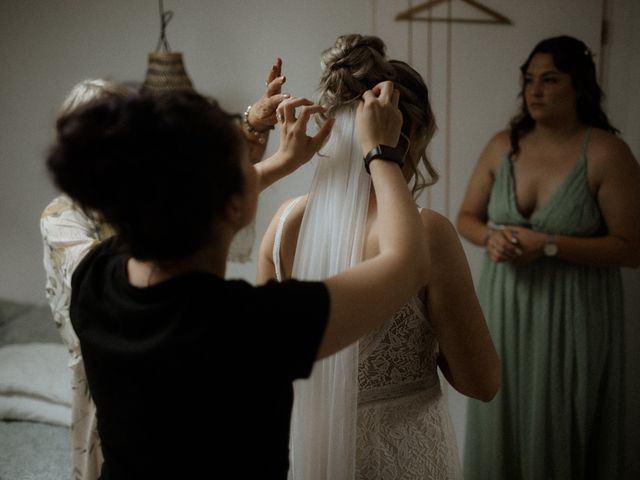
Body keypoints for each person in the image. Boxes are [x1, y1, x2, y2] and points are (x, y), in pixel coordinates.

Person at [46, 78, 432, 479]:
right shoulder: (248, 325)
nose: (256, 168)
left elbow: (174, 199)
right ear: (233, 207)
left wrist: (280, 163)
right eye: (244, 165)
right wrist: (382, 152)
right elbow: (410, 262)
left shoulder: (95, 277)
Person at [257, 34, 500, 479]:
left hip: (304, 455)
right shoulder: (426, 232)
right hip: (399, 459)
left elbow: (264, 369)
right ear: (411, 134)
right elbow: (480, 381)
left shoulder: (282, 226)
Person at [40, 62, 289, 480]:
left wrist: (251, 127)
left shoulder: (160, 202)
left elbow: (206, 197)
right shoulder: (63, 219)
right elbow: (195, 211)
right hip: (110, 365)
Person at [457, 35, 640, 479]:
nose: (534, 91)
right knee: (503, 408)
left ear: (578, 87)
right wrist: (492, 239)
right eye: (529, 80)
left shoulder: (606, 152)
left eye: (549, 80)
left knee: (563, 416)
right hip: (505, 308)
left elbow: (632, 248)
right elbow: (466, 218)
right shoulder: (503, 145)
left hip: (573, 312)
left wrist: (551, 244)